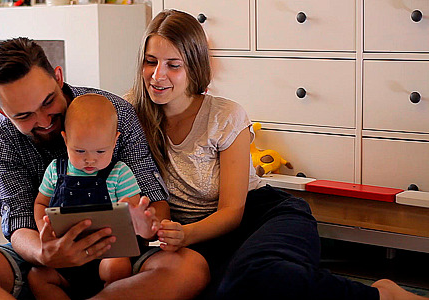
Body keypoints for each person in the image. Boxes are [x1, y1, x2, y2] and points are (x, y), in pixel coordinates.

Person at [129, 9, 428, 300]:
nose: (157, 75)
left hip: (258, 216)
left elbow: (231, 213)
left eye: (173, 65)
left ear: (193, 67)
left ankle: (382, 295)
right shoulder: (131, 114)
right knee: (227, 289)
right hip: (193, 237)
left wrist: (185, 235)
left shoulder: (225, 115)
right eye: (150, 62)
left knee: (260, 277)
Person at [0, 37, 209, 300]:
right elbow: (18, 223)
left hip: (119, 260)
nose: (44, 121)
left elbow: (154, 200)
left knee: (190, 269)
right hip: (46, 260)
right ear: (1, 111)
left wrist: (146, 222)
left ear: (58, 77)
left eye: (47, 102)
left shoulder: (115, 113)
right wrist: (46, 253)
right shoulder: (1, 138)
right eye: (23, 115)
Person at [29, 94, 152, 298]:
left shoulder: (119, 173)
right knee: (37, 276)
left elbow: (135, 213)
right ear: (65, 139)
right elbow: (41, 202)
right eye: (79, 151)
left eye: (100, 152)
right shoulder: (55, 170)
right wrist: (44, 229)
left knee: (116, 267)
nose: (90, 160)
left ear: (115, 141)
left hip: (107, 254)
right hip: (65, 255)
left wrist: (137, 214)